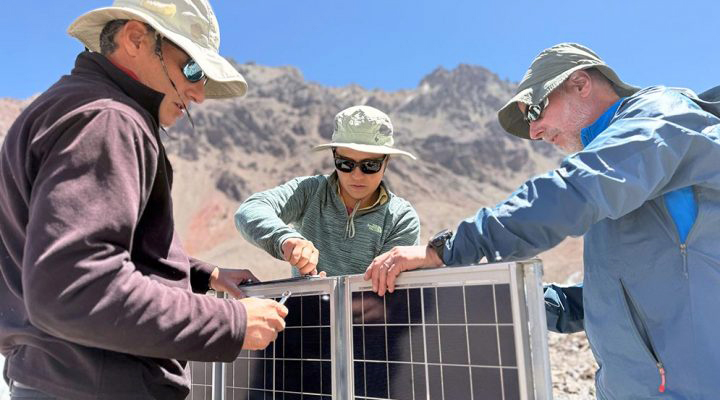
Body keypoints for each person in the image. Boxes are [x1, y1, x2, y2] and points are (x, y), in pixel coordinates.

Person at [364, 43, 720, 399]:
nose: (534, 132)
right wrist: (508, 295)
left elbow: (567, 193)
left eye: (535, 110)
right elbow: (605, 298)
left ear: (580, 83)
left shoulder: (659, 118)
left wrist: (444, 250)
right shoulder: (617, 177)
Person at [0, 1, 288, 399]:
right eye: (193, 69)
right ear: (135, 38)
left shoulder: (75, 104)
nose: (199, 94)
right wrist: (231, 322)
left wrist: (202, 276)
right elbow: (74, 287)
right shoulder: (109, 119)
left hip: (57, 378)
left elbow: (82, 248)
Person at [235, 105, 420, 277]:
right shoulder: (309, 191)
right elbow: (250, 210)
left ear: (386, 162)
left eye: (370, 165)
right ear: (334, 156)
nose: (356, 175)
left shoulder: (401, 218)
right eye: (345, 163)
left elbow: (389, 292)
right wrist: (285, 239)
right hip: (306, 310)